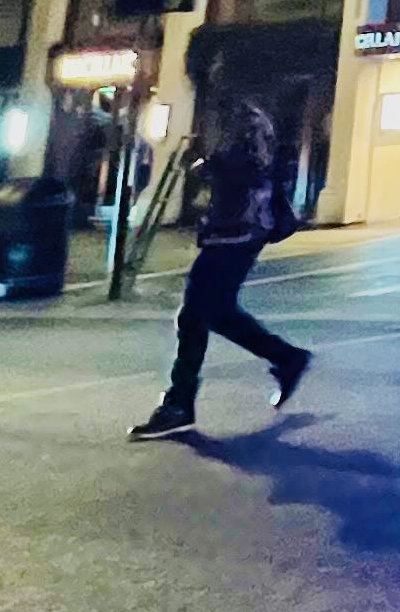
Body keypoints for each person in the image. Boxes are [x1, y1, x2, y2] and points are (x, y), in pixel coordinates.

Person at [131, 98, 311, 439]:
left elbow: (251, 168)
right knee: (209, 312)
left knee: (200, 312)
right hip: (232, 228)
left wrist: (207, 165)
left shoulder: (245, 119)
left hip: (239, 229)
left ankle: (180, 403)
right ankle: (284, 359)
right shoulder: (237, 116)